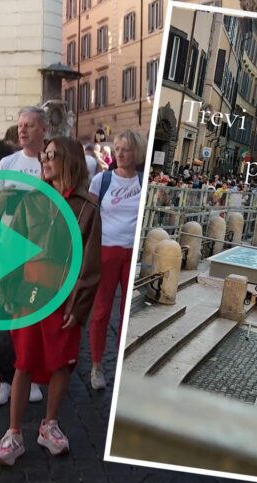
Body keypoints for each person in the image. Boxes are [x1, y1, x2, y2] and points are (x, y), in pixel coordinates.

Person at [0, 136, 101, 466]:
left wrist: (79, 307)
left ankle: (49, 425)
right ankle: (13, 433)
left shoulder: (87, 206)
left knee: (62, 363)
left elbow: (90, 262)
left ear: (68, 159)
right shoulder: (32, 200)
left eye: (51, 155)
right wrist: (9, 294)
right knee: (23, 362)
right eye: (44, 155)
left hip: (64, 297)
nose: (45, 160)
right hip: (30, 293)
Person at [0, 105, 50, 405]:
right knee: (5, 312)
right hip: (9, 246)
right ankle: (4, 376)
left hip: (40, 252)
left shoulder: (49, 164)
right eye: (20, 124)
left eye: (29, 125)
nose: (22, 130)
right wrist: (8, 197)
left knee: (33, 312)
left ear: (44, 130)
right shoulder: (6, 163)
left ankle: (33, 376)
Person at [87, 130, 146, 389]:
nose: (120, 154)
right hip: (106, 250)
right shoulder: (102, 180)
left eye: (126, 149)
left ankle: (122, 364)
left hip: (131, 252)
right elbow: (88, 215)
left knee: (126, 313)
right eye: (117, 148)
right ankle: (97, 366)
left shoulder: (144, 182)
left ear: (137, 153)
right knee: (100, 312)